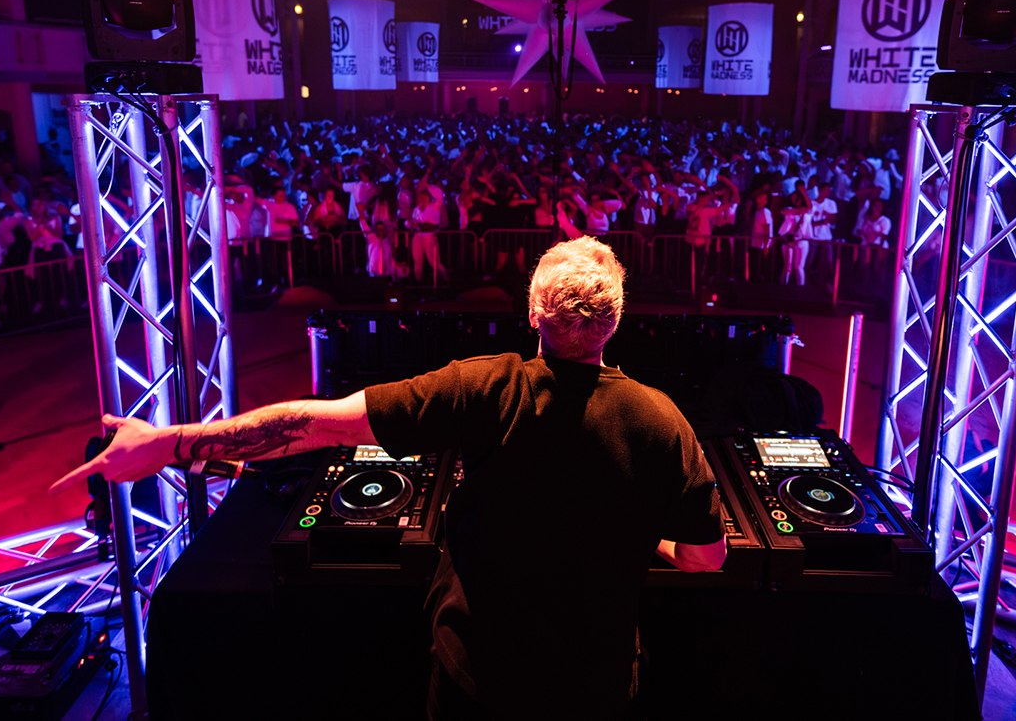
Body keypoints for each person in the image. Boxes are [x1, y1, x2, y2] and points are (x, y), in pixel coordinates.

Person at [50, 236, 726, 720]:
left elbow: (315, 425)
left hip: (476, 681)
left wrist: (168, 443)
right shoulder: (661, 420)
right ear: (615, 321)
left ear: (533, 315)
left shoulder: (485, 387)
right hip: (596, 689)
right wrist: (650, 539)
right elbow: (705, 558)